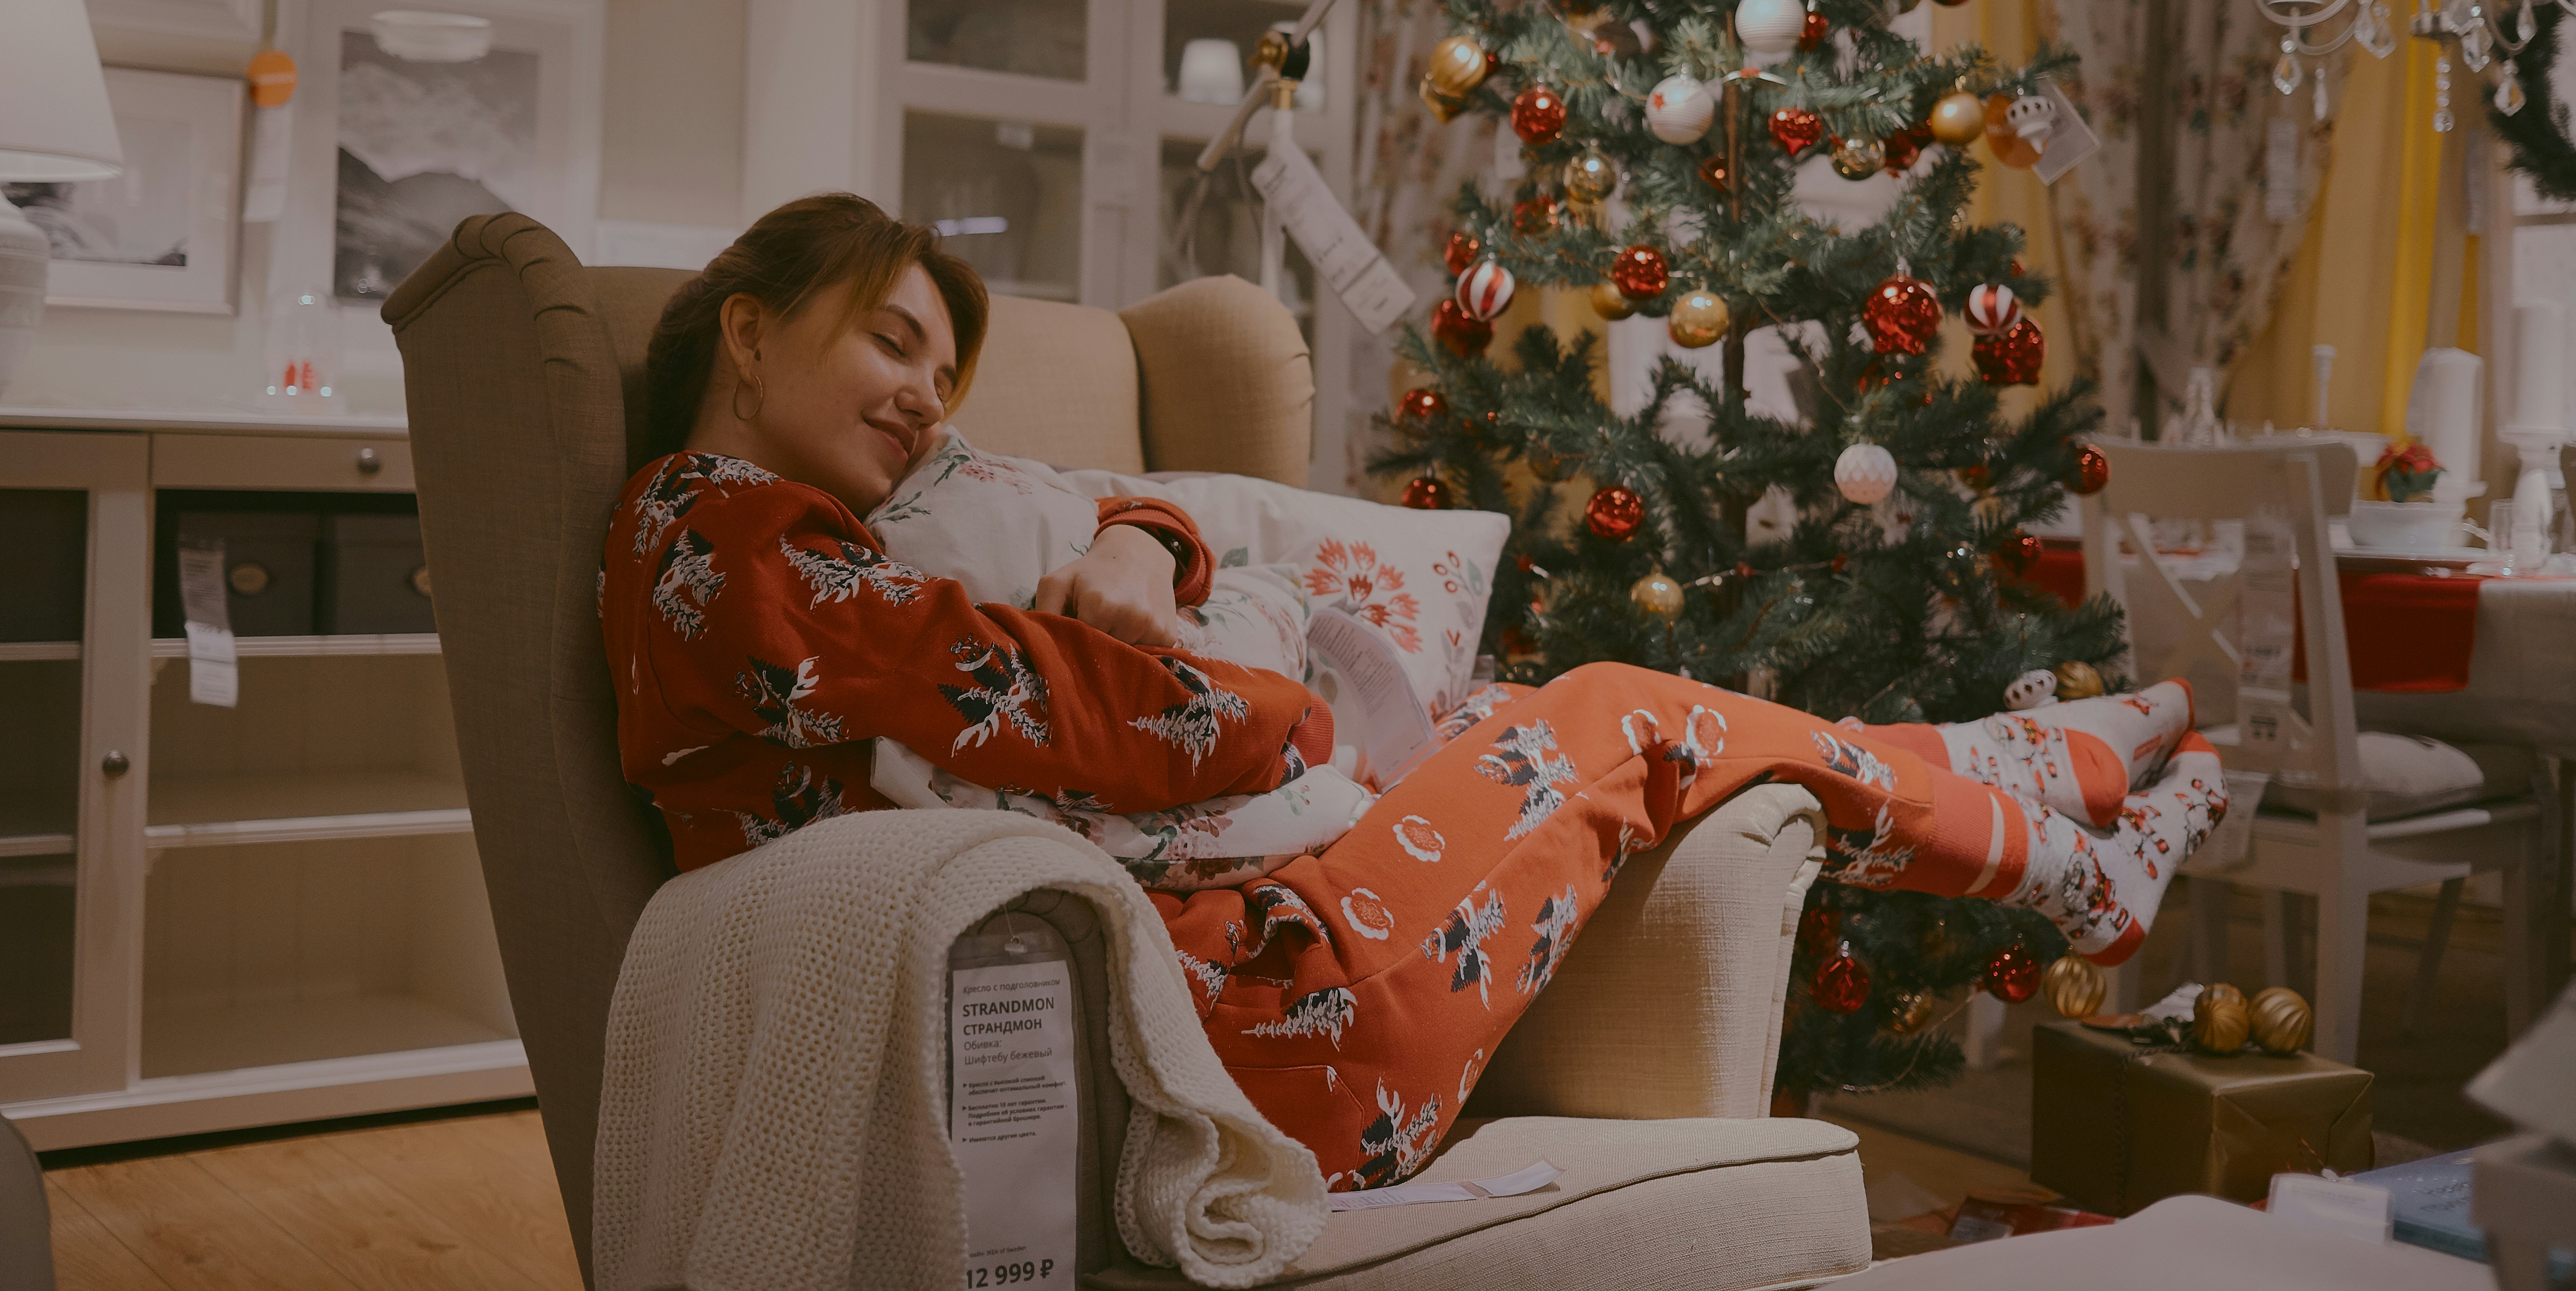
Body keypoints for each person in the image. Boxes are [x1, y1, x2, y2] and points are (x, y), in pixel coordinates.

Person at [601, 192, 2225, 1191]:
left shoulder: (819, 548)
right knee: (1618, 713)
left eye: (938, 368)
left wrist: (1146, 542)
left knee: (1577, 717)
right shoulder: (710, 534)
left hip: (1217, 999)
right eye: (888, 342)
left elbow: (1071, 518)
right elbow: (1092, 720)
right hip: (1234, 1029)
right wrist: (1285, 709)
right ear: (747, 332)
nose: (919, 396)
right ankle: (2051, 834)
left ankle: (2029, 794)